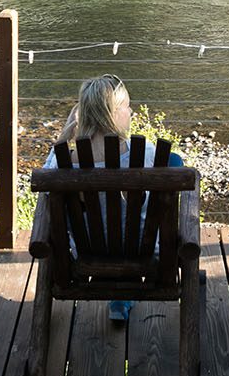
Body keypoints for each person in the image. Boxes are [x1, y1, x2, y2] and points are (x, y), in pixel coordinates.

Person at [51, 74, 185, 323]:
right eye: (126, 106)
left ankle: (119, 300)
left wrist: (65, 134)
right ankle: (122, 299)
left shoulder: (63, 162)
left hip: (87, 251)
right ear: (111, 113)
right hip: (143, 250)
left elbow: (44, 180)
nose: (131, 111)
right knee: (175, 161)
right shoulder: (144, 153)